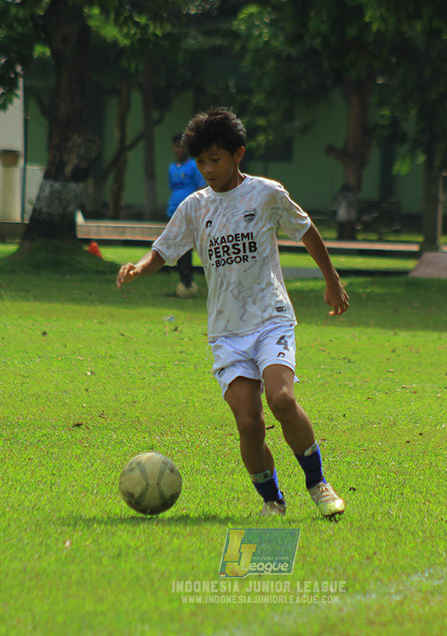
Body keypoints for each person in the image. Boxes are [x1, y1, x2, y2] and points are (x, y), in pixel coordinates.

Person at [117, 108, 349, 519]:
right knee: (248, 423)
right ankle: (272, 501)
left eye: (215, 159)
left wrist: (331, 280)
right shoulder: (194, 207)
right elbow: (164, 250)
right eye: (200, 161)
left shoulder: (265, 193)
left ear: (238, 153)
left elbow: (307, 229)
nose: (207, 169)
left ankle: (318, 483)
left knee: (280, 398)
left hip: (270, 317)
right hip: (226, 331)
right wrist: (139, 267)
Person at [167, 133, 207, 298]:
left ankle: (188, 281)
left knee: (190, 247)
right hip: (173, 211)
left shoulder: (193, 166)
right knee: (178, 247)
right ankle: (184, 281)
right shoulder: (172, 168)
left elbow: (201, 188)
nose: (179, 149)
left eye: (182, 146)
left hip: (190, 212)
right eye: (177, 146)